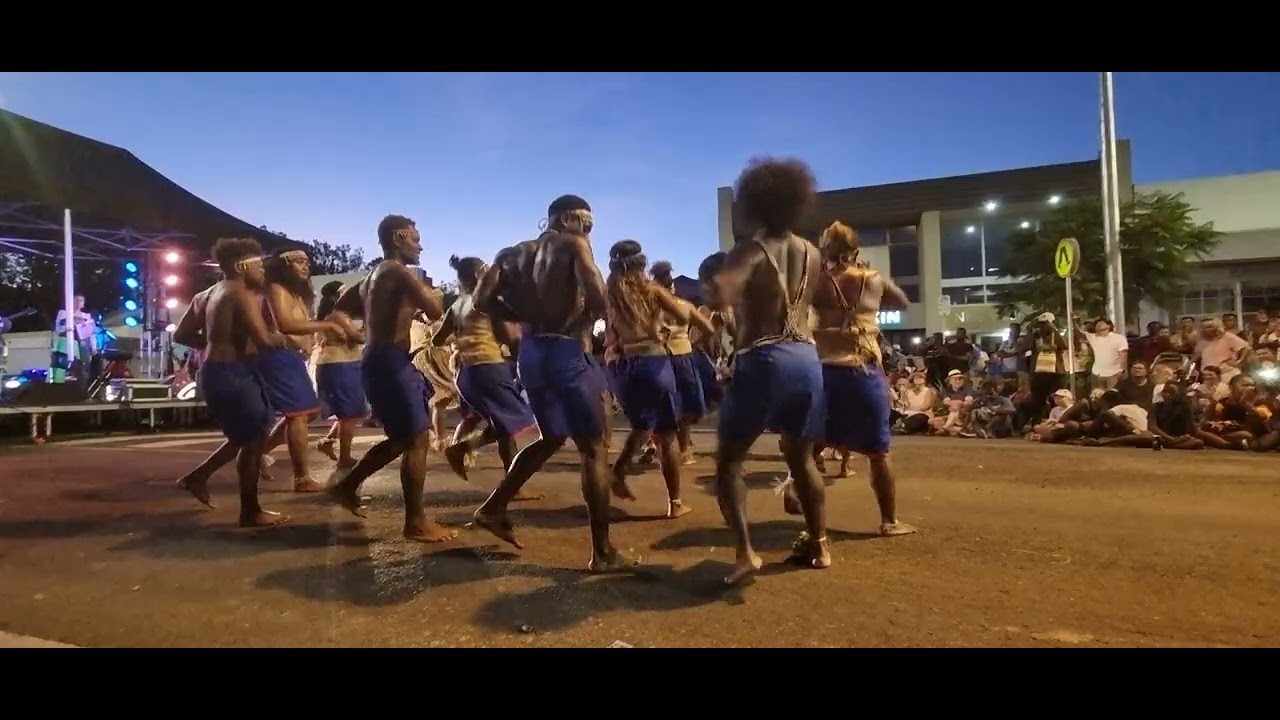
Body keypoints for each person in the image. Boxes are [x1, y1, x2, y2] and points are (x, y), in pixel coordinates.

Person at [469, 195, 629, 573]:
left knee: (552, 437)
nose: (589, 232)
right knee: (593, 449)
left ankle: (493, 507)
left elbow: (480, 301)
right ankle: (603, 552)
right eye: (586, 224)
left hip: (531, 354)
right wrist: (578, 324)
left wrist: (523, 315)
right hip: (564, 351)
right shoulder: (574, 244)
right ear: (568, 219)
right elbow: (598, 298)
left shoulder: (510, 254)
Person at [712, 157, 828, 586]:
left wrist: (718, 291)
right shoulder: (812, 252)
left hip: (764, 359)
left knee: (728, 461)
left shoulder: (750, 249)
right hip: (806, 359)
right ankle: (818, 544)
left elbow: (725, 288)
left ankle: (745, 554)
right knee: (800, 459)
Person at [783, 221, 917, 536]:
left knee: (811, 445)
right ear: (854, 251)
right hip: (860, 370)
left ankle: (792, 487)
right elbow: (901, 301)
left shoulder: (813, 283)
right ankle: (889, 522)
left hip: (821, 370)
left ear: (824, 252)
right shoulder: (871, 279)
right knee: (878, 452)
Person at [327, 215, 452, 543]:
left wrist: (360, 331)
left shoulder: (372, 277)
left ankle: (346, 486)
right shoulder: (396, 271)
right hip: (389, 361)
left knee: (401, 438)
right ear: (398, 237)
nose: (420, 246)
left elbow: (340, 307)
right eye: (415, 239)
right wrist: (428, 295)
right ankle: (415, 522)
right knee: (417, 440)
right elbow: (436, 310)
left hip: (379, 357)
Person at [177, 238, 289, 527]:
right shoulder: (240, 292)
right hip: (233, 372)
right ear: (242, 267)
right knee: (252, 441)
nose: (263, 271)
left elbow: (181, 335)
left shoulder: (205, 295)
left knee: (246, 437)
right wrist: (286, 336)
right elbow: (265, 340)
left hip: (216, 371)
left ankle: (198, 477)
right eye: (259, 266)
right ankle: (250, 511)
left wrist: (213, 344)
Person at [606, 242, 714, 519]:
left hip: (622, 367)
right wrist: (658, 324)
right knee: (666, 438)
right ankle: (675, 502)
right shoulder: (652, 291)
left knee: (642, 424)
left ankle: (618, 472)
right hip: (653, 363)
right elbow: (681, 316)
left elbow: (608, 332)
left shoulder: (610, 294)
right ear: (642, 265)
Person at [438, 255, 542, 492]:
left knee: (504, 428)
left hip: (465, 374)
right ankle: (461, 449)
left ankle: (511, 485)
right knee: (522, 420)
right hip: (489, 368)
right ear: (478, 275)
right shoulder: (485, 302)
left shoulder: (455, 305)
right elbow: (511, 338)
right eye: (486, 270)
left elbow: (438, 338)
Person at [314, 282, 368, 468]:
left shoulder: (338, 316)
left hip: (345, 364)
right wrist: (371, 324)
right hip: (339, 366)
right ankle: (344, 457)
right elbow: (358, 339)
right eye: (346, 292)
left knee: (350, 413)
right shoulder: (338, 316)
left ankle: (327, 442)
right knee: (349, 414)